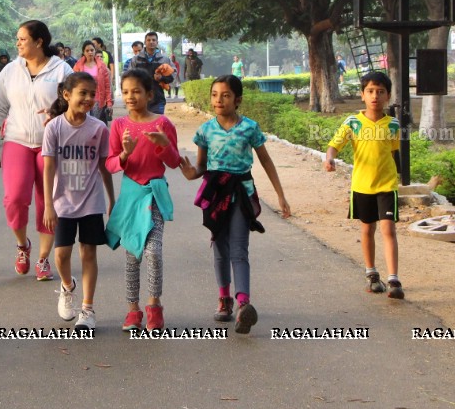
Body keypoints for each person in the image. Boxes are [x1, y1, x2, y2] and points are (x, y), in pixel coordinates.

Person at [179, 76, 291, 334]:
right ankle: (224, 299)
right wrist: (191, 173)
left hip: (241, 193)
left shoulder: (250, 128)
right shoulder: (205, 130)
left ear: (237, 100)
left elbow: (266, 162)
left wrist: (280, 195)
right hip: (215, 194)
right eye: (215, 94)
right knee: (220, 247)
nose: (219, 100)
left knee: (239, 249)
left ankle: (244, 305)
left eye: (226, 95)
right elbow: (201, 167)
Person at [0, 20, 73, 280]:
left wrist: (57, 113)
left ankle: (44, 258)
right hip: (17, 140)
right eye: (17, 39)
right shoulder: (10, 71)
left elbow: (76, 102)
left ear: (39, 42)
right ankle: (23, 246)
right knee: (14, 199)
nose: (18, 43)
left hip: (52, 143)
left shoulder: (62, 70)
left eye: (23, 39)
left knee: (48, 202)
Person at [105, 68, 181, 331]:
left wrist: (163, 144)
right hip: (130, 196)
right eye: (125, 92)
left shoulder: (163, 124)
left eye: (136, 91)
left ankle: (154, 306)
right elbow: (112, 164)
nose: (130, 97)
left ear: (150, 94)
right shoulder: (119, 125)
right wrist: (125, 154)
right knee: (132, 256)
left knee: (154, 252)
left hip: (155, 194)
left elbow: (173, 162)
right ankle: (132, 311)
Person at [41, 72, 115, 330]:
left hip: (91, 201)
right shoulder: (54, 128)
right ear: (67, 95)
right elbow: (48, 168)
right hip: (63, 203)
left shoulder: (99, 128)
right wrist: (49, 205)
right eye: (82, 93)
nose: (88, 99)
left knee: (88, 253)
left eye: (92, 94)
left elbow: (105, 167)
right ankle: (67, 286)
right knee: (60, 255)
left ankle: (87, 309)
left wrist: (111, 199)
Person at [323, 71, 403, 299]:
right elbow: (334, 144)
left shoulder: (393, 124)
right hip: (362, 185)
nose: (375, 96)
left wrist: (398, 175)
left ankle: (394, 279)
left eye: (380, 92)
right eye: (370, 91)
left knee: (389, 228)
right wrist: (329, 158)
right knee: (367, 228)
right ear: (362, 95)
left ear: (387, 96)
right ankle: (371, 273)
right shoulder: (353, 122)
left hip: (387, 185)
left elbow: (394, 151)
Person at [130, 32, 174, 115]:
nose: (151, 42)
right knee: (141, 126)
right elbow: (129, 78)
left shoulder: (164, 59)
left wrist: (161, 78)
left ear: (157, 42)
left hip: (158, 100)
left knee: (157, 126)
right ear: (145, 42)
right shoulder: (136, 59)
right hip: (140, 100)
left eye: (153, 40)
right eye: (148, 40)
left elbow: (172, 77)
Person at [72, 41, 113, 124]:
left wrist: (109, 103)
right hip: (82, 99)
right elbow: (73, 84)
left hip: (97, 101)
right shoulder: (78, 66)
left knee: (94, 124)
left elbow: (107, 86)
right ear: (83, 52)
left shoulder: (102, 66)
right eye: (87, 50)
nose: (90, 52)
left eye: (92, 50)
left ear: (95, 51)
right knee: (83, 123)